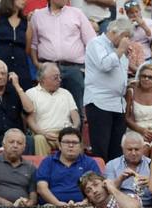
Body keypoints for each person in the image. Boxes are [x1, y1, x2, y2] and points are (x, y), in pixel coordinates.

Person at [27, 0, 95, 127]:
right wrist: (36, 63)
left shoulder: (77, 13)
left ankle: (75, 144)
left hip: (74, 68)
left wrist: (86, 68)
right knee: (47, 108)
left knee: (76, 110)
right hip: (47, 68)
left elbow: (91, 42)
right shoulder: (38, 16)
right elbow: (34, 44)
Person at [84, 18, 133, 164]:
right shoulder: (96, 43)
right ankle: (99, 181)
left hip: (118, 104)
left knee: (117, 151)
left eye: (128, 37)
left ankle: (114, 182)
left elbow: (120, 74)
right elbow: (104, 65)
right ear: (113, 31)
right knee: (101, 149)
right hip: (100, 102)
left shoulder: (120, 50)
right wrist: (120, 51)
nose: (127, 40)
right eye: (125, 36)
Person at [37, 126, 102, 208]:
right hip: (54, 206)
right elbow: (41, 188)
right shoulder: (48, 162)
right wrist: (57, 203)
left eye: (75, 143)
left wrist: (85, 202)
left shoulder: (89, 163)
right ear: (59, 145)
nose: (71, 145)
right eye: (66, 142)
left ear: (80, 145)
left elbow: (98, 187)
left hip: (82, 206)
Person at [25, 63, 82, 155]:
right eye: (55, 77)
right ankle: (43, 168)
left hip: (65, 133)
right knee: (39, 139)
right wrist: (43, 133)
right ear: (42, 79)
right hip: (44, 133)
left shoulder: (65, 93)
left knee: (75, 137)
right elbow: (30, 119)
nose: (59, 80)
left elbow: (75, 114)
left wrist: (74, 128)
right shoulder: (31, 93)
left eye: (60, 77)